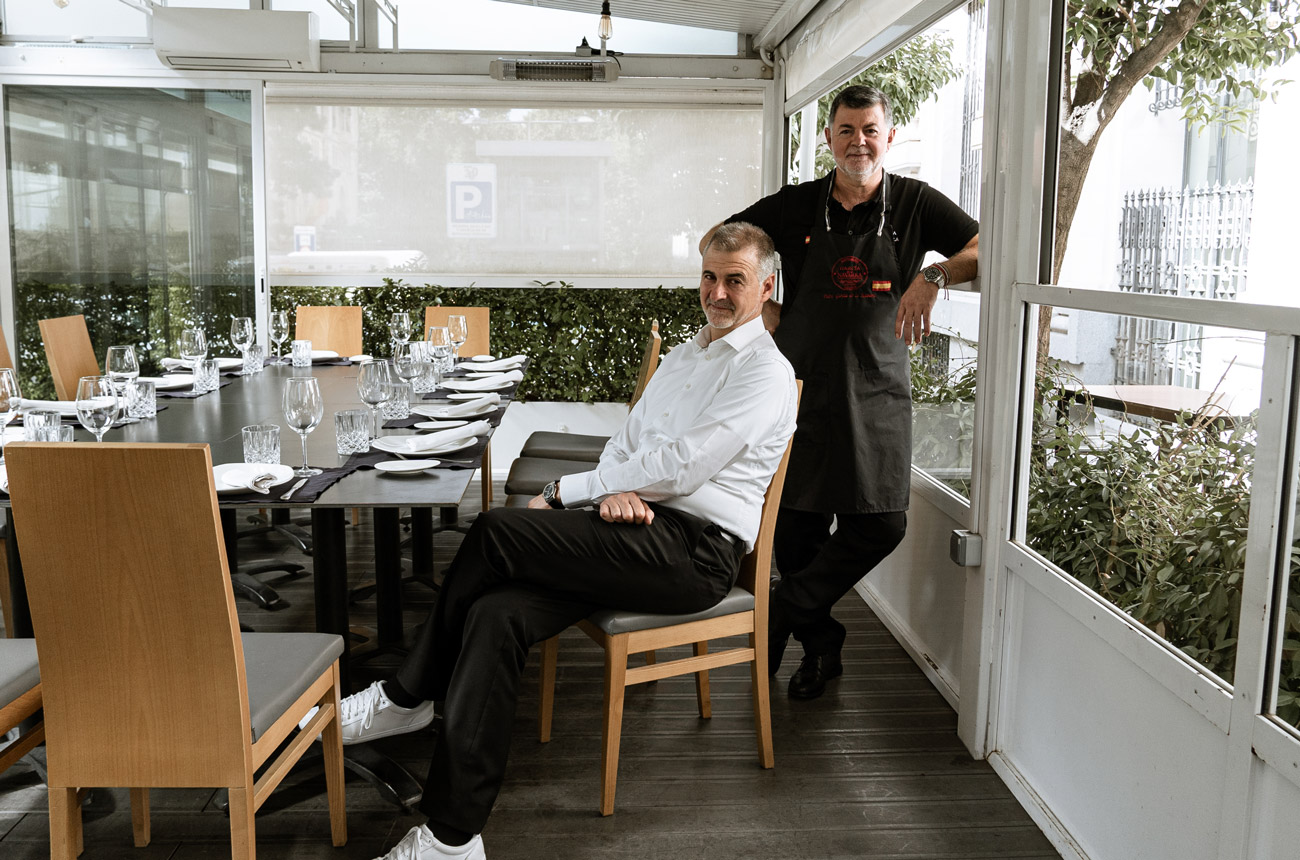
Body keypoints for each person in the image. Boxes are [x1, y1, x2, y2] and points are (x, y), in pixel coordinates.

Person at [344, 221, 798, 860]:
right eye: (708, 276)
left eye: (735, 280)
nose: (717, 293)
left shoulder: (765, 372)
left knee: (497, 531)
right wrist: (609, 490)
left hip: (693, 553)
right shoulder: (686, 354)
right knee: (496, 613)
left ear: (766, 286)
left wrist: (568, 491)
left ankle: (406, 694)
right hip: (634, 529)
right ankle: (453, 839)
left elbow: (683, 467)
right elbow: (627, 442)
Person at [701, 84, 979, 701]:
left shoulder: (915, 202)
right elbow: (720, 240)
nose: (859, 142)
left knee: (881, 524)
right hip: (798, 387)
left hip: (877, 389)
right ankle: (822, 649)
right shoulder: (797, 204)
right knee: (797, 532)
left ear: (889, 136)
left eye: (870, 130)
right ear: (829, 137)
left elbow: (983, 247)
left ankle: (781, 610)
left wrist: (934, 274)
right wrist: (761, 305)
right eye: (847, 130)